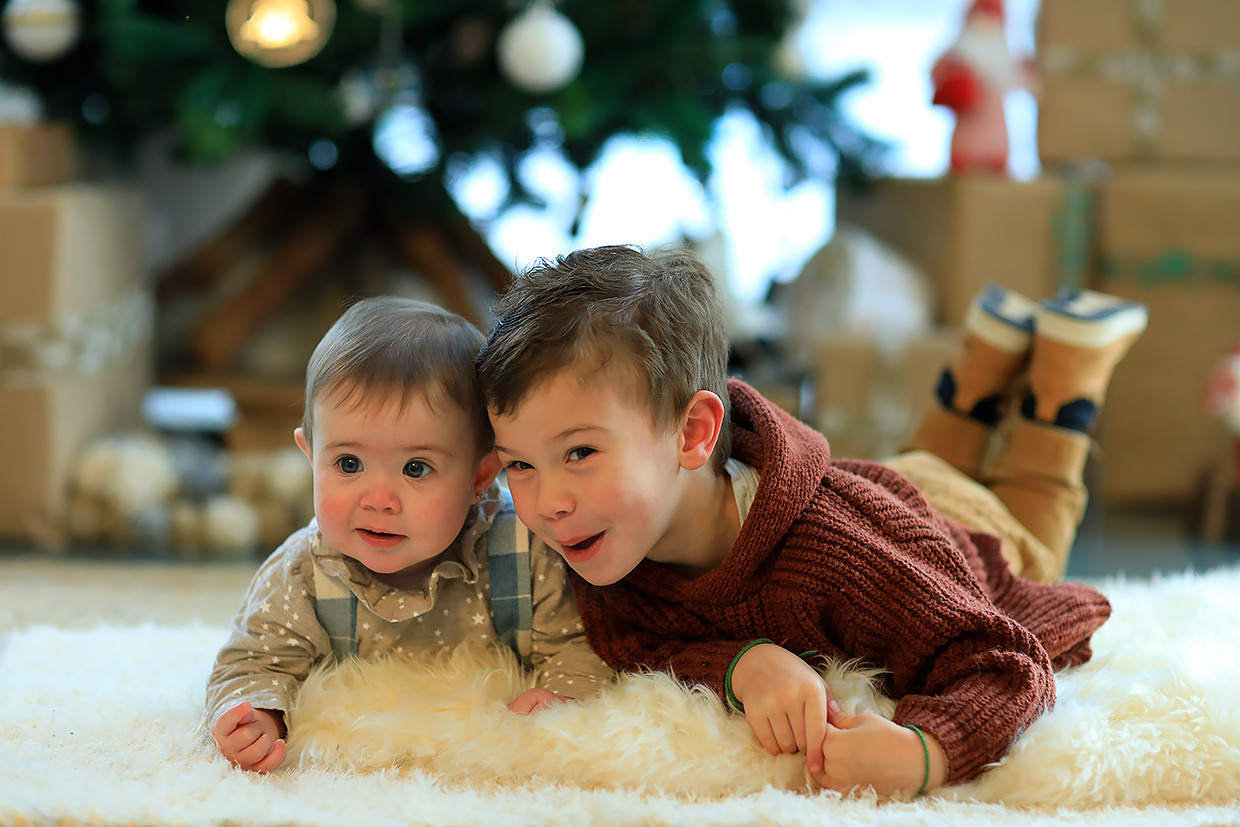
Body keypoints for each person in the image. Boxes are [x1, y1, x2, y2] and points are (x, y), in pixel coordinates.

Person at [475, 245, 1145, 797]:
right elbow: (640, 642)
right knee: (921, 460)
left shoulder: (840, 557)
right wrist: (744, 664)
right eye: (520, 465)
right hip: (890, 481)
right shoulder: (606, 532)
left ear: (693, 433)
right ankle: (978, 370)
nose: (547, 502)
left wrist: (925, 751)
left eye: (580, 452)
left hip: (956, 528)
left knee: (1033, 508)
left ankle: (1069, 374)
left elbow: (998, 661)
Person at [205, 296, 612, 774]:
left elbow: (580, 642)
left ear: (480, 475)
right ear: (310, 454)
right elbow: (254, 659)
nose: (379, 499)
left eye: (416, 468)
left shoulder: (521, 551)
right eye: (348, 463)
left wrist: (563, 695)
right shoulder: (305, 570)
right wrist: (259, 716)